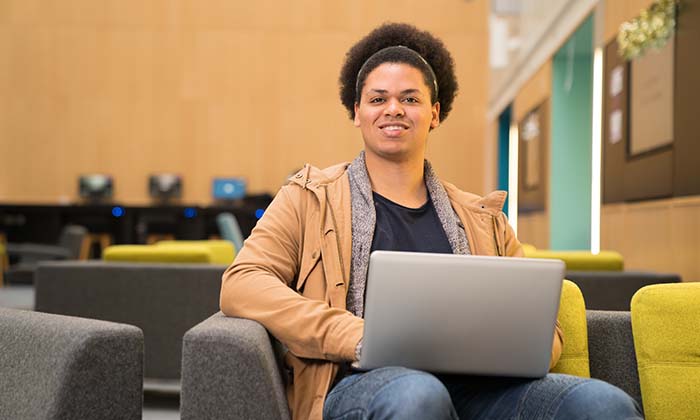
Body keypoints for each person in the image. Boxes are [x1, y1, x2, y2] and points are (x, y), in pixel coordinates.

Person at [220, 22, 643, 420]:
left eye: (409, 98)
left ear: (435, 113)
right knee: (419, 395)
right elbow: (242, 282)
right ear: (356, 112)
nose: (393, 110)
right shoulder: (309, 196)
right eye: (378, 98)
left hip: (481, 387)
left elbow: (544, 329)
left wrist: (501, 350)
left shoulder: (483, 218)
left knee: (602, 402)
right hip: (360, 382)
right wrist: (352, 336)